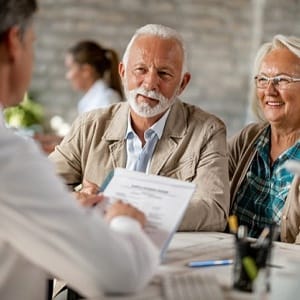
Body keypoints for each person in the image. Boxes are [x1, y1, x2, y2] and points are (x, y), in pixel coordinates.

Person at [0, 1, 159, 299]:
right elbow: (121, 273)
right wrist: (124, 219)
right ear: (13, 43)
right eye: (33, 43)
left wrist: (63, 208)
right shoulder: (9, 157)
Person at [49, 24, 230, 232]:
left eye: (164, 74)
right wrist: (75, 199)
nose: (150, 83)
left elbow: (214, 211)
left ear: (182, 83)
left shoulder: (208, 132)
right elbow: (42, 185)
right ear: (123, 72)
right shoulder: (89, 125)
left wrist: (136, 213)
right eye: (141, 70)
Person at [229, 34, 300, 243]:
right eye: (263, 79)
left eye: (282, 80)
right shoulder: (248, 139)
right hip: (228, 261)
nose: (269, 91)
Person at [65, 40, 124, 115]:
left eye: (70, 68)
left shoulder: (106, 99)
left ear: (86, 70)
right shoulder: (90, 100)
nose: (68, 76)